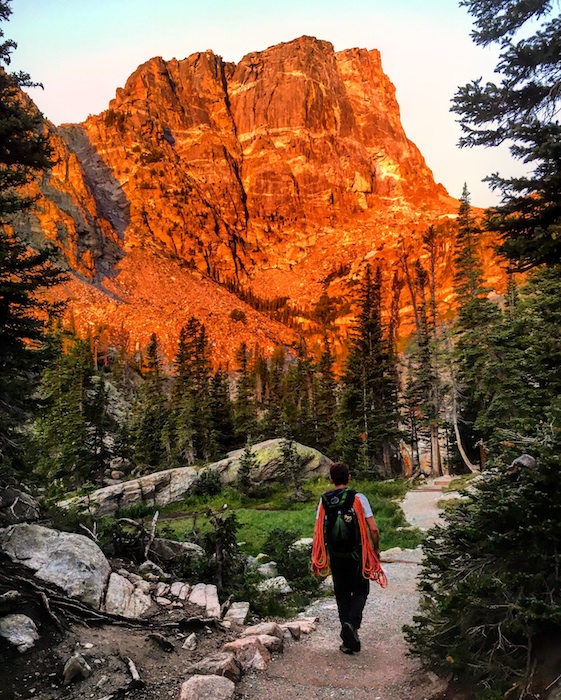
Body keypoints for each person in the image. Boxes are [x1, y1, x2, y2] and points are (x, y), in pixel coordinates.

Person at [312, 462, 387, 654]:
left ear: (331, 479)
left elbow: (318, 530)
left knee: (342, 593)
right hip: (358, 554)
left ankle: (347, 638)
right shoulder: (359, 498)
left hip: (336, 556)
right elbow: (374, 528)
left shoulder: (324, 501)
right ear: (349, 478)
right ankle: (352, 624)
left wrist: (319, 553)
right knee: (361, 590)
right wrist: (376, 550)